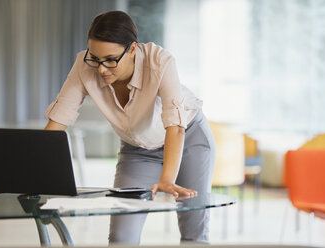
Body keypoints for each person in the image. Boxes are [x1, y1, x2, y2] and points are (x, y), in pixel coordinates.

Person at [44, 10, 215, 244]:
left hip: (188, 138)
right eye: (94, 58)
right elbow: (58, 120)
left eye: (111, 59)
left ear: (133, 49)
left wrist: (167, 179)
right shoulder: (84, 66)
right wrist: (20, 176)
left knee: (193, 230)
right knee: (121, 236)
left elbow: (175, 125)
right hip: (137, 150)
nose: (101, 69)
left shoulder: (160, 61)